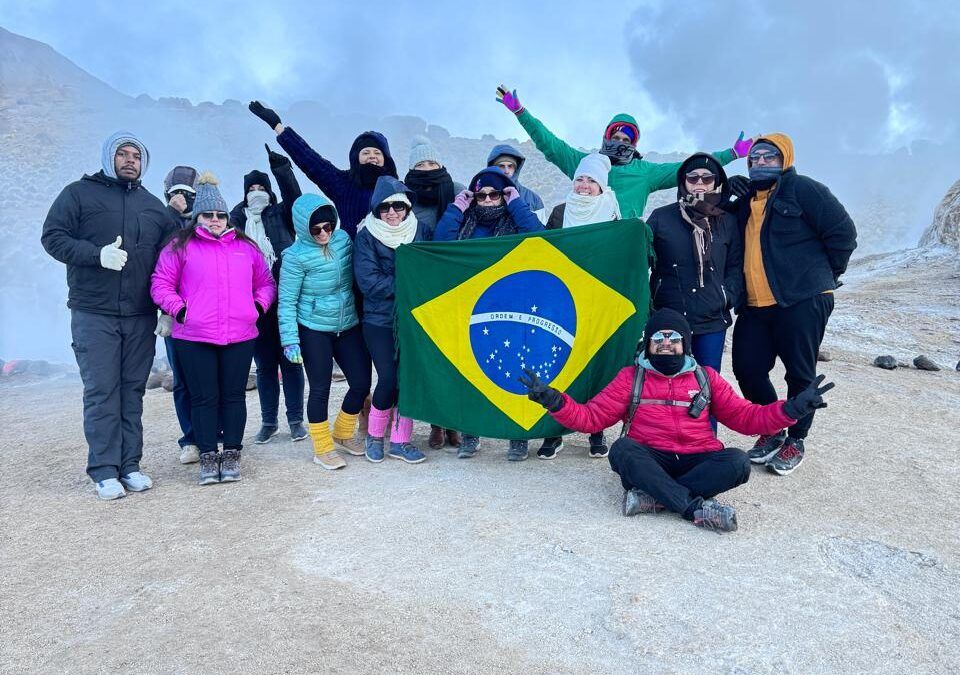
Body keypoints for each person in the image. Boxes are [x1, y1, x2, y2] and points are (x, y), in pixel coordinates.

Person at [521, 308, 834, 532]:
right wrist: (553, 400)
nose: (666, 344)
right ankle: (694, 508)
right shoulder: (632, 377)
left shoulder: (705, 377)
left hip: (698, 457)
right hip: (650, 457)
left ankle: (654, 498)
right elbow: (591, 418)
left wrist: (793, 409)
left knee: (738, 462)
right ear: (649, 343)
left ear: (685, 344)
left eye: (673, 339)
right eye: (659, 338)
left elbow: (746, 417)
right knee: (621, 451)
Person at [41, 131, 175, 500]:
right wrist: (94, 254)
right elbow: (52, 237)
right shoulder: (78, 194)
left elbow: (170, 261)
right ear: (108, 157)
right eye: (123, 153)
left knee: (132, 391)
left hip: (139, 314)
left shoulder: (153, 208)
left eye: (136, 155)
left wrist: (167, 308)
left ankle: (130, 465)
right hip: (93, 311)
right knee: (102, 391)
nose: (130, 160)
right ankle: (103, 470)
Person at [725, 134, 856, 476]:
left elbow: (843, 233)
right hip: (755, 304)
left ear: (785, 159)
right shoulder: (745, 201)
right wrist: (728, 194)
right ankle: (771, 427)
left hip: (801, 299)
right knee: (748, 368)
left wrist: (823, 278)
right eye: (754, 158)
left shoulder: (805, 190)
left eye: (770, 156)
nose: (761, 162)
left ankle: (796, 439)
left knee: (799, 372)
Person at [151, 173, 276, 486]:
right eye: (208, 215)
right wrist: (179, 310)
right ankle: (208, 455)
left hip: (240, 333)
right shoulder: (179, 246)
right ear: (197, 217)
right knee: (203, 397)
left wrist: (257, 308)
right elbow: (160, 283)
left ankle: (232, 451)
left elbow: (266, 283)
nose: (216, 220)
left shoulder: (245, 247)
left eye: (220, 215)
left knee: (233, 396)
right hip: (194, 335)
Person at [495, 85, 752, 219]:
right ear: (606, 137)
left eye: (626, 139)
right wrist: (521, 113)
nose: (620, 142)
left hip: (623, 246)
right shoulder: (586, 164)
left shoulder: (645, 173)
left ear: (635, 145)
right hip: (589, 238)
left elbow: (688, 169)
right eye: (615, 137)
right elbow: (550, 143)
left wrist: (731, 153)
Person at [433, 167, 545, 460]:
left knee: (514, 369)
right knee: (470, 369)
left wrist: (515, 202)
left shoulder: (514, 221)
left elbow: (541, 238)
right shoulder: (466, 221)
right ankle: (471, 433)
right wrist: (458, 206)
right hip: (470, 308)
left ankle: (516, 436)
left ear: (503, 195)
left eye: (493, 193)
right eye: (480, 195)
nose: (486, 199)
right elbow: (440, 243)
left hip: (510, 309)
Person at [647, 153, 744, 433]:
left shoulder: (727, 220)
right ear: (683, 182)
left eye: (707, 177)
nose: (699, 183)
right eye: (692, 178)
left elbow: (736, 265)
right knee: (666, 381)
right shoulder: (662, 218)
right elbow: (642, 259)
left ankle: (705, 440)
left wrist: (728, 296)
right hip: (670, 317)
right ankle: (663, 440)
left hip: (712, 318)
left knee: (706, 382)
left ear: (717, 182)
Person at [278, 192, 372, 469]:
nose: (323, 233)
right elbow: (287, 301)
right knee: (320, 389)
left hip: (348, 324)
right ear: (303, 228)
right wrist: (290, 340)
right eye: (316, 229)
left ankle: (343, 433)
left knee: (361, 383)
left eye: (328, 226)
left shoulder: (343, 240)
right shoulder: (294, 257)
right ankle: (322, 448)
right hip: (314, 328)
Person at [537, 152, 621, 459]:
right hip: (562, 300)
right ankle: (553, 430)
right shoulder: (561, 212)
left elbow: (619, 258)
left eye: (591, 181)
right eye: (580, 180)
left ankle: (595, 429)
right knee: (560, 363)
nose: (584, 186)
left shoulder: (612, 214)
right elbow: (543, 251)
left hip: (596, 301)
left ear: (602, 185)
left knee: (593, 366)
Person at [229, 144, 307, 445]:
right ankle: (269, 421)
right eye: (252, 188)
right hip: (253, 302)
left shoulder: (280, 213)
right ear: (245, 192)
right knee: (264, 364)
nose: (257, 192)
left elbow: (296, 200)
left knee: (291, 359)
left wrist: (282, 170)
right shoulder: (235, 219)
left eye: (263, 187)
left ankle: (296, 420)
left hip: (285, 295)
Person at [354, 176, 429, 464]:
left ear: (408, 207)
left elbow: (428, 268)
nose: (392, 213)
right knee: (388, 377)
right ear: (377, 211)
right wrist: (408, 284)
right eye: (385, 208)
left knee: (407, 378)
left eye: (398, 206)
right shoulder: (367, 236)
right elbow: (368, 282)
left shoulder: (419, 231)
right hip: (379, 320)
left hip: (412, 320)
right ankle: (375, 435)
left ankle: (400, 440)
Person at [247, 100, 397, 239]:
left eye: (377, 153)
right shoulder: (344, 184)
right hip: (354, 261)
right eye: (366, 152)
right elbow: (310, 160)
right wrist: (278, 127)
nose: (372, 156)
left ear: (386, 158)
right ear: (356, 157)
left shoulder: (397, 188)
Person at [404, 135, 465, 451]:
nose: (427, 169)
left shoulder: (457, 192)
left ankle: (456, 422)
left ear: (441, 165)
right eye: (420, 165)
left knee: (457, 357)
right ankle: (436, 425)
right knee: (431, 359)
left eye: (432, 163)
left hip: (458, 287)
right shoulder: (405, 197)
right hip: (424, 288)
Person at [157, 165, 203, 464]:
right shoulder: (159, 224)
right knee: (184, 379)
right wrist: (163, 312)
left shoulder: (208, 224)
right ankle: (190, 438)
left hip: (210, 316)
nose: (182, 199)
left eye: (188, 194)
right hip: (176, 316)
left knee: (214, 378)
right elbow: (156, 270)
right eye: (175, 194)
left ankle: (217, 433)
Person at [486, 143, 545, 222]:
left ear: (516, 169)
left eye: (510, 166)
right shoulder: (482, 197)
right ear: (493, 168)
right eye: (501, 166)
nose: (506, 171)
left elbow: (540, 231)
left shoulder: (533, 199)